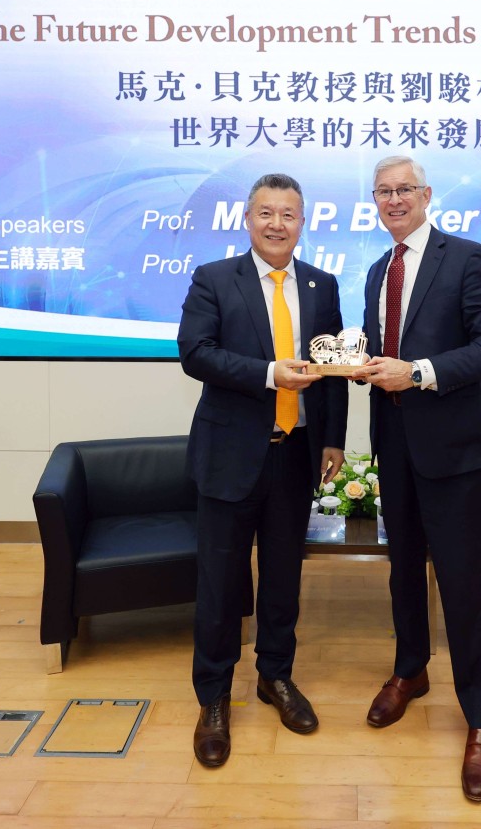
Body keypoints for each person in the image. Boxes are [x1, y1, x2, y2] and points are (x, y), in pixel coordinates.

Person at [177, 173, 347, 768]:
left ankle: (276, 676)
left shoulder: (322, 284)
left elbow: (333, 368)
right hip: (230, 455)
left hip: (296, 453)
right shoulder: (213, 278)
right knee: (220, 585)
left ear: (303, 223)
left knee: (282, 578)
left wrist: (333, 438)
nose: (277, 224)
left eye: (289, 214)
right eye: (266, 213)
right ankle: (214, 697)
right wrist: (271, 374)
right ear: (247, 219)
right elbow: (195, 353)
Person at [355, 155, 481, 802]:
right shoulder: (376, 269)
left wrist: (415, 372)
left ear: (426, 195)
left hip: (451, 451)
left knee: (463, 583)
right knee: (402, 570)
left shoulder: (467, 257)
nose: (394, 200)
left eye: (404, 190)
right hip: (393, 446)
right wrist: (360, 363)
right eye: (383, 192)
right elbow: (382, 350)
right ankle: (410, 671)